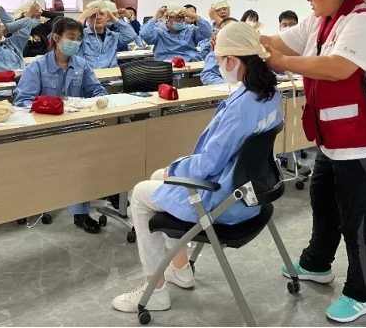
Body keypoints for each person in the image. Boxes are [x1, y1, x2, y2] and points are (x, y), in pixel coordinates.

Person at [260, 0, 366, 323]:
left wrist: (283, 63)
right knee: (323, 201)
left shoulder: (363, 21)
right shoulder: (319, 21)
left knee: (358, 219)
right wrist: (239, 37)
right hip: (334, 138)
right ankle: (317, 263)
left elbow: (338, 67)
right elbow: (277, 41)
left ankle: (361, 293)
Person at [112, 22, 283, 313]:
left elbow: (209, 163)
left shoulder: (242, 106)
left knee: (140, 195)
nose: (218, 65)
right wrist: (174, 170)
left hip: (226, 200)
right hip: (252, 192)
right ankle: (180, 268)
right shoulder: (270, 95)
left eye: (219, 60)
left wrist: (176, 169)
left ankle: (155, 290)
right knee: (158, 177)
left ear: (232, 60)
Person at [14, 17, 108, 233]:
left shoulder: (81, 65)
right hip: (45, 131)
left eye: (79, 38)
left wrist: (100, 99)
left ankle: (81, 212)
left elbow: (96, 90)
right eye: (71, 37)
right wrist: (51, 106)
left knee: (87, 157)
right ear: (56, 38)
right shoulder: (37, 66)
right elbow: (22, 101)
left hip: (76, 127)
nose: (75, 42)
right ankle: (44, 199)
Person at [141, 4, 212, 63]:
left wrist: (195, 16)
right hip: (170, 68)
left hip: (192, 65)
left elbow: (208, 33)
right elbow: (144, 34)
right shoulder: (159, 32)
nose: (181, 21)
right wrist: (156, 15)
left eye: (183, 18)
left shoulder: (190, 29)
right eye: (178, 18)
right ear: (168, 18)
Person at [77, 1, 136, 68]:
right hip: (90, 74)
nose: (98, 17)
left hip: (112, 74)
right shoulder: (81, 36)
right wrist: (82, 17)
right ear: (87, 19)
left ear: (108, 17)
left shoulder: (113, 37)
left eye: (102, 14)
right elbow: (70, 39)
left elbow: (131, 35)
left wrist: (113, 18)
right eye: (93, 15)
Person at [199, 17, 237, 85]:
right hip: (228, 87)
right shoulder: (217, 52)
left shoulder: (248, 51)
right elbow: (208, 76)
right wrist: (230, 85)